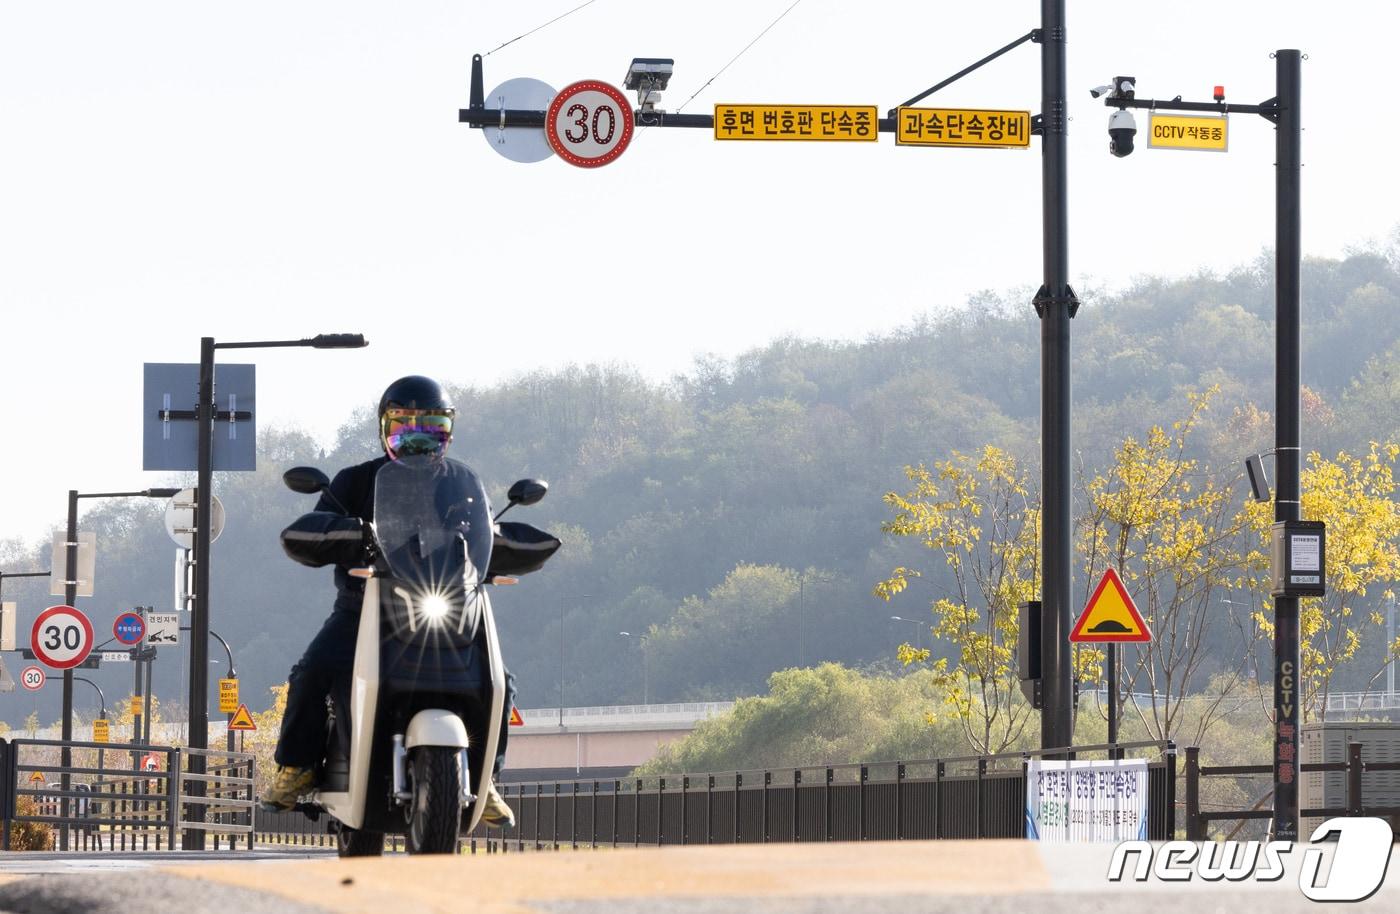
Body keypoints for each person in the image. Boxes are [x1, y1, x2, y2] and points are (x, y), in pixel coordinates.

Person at [263, 374, 517, 826]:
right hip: (365, 607)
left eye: (431, 427)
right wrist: (344, 534)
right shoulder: (357, 480)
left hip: (449, 606)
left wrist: (503, 546)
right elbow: (314, 527)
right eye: (404, 426)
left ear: (449, 431)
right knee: (313, 670)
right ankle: (296, 767)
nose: (417, 438)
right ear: (384, 428)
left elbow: (485, 533)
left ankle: (486, 778)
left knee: (500, 681)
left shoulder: (461, 486)